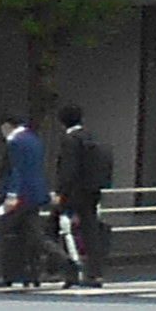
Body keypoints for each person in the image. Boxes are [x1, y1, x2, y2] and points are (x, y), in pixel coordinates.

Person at [0, 110, 54, 292]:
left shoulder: (15, 142)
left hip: (18, 197)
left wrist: (10, 197)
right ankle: (66, 263)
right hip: (35, 196)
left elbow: (16, 171)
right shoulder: (34, 140)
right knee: (36, 236)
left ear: (7, 126)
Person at [53, 100, 114, 288]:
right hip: (91, 191)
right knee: (90, 231)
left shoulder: (70, 140)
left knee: (52, 229)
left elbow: (68, 170)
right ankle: (95, 273)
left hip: (72, 193)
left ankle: (63, 269)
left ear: (62, 121)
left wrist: (60, 193)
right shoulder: (90, 137)